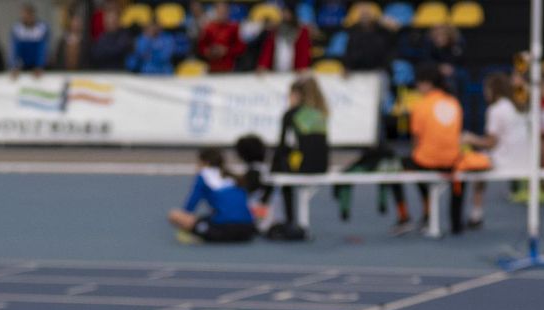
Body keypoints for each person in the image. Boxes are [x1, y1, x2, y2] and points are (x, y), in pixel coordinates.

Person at [403, 66, 492, 235]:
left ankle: (425, 208)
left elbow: (417, 139)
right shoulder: (453, 102)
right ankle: (456, 223)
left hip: (427, 161)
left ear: (427, 84)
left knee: (408, 164)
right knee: (459, 174)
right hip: (452, 162)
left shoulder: (421, 105)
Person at [269, 76, 331, 233]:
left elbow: (282, 145)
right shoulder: (320, 112)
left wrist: (272, 170)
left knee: (281, 165)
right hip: (322, 165)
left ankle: (289, 219)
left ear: (297, 95)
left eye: (289, 95)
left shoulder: (291, 114)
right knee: (288, 158)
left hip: (305, 166)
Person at [475, 72, 533, 228]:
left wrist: (469, 139)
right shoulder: (519, 107)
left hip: (506, 161)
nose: (484, 93)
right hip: (528, 159)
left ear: (493, 90)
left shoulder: (495, 109)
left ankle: (476, 213)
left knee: (475, 164)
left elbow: (491, 142)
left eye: (486, 89)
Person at [167, 148, 258, 244]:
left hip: (222, 230)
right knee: (210, 217)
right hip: (247, 230)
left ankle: (200, 232)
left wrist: (185, 224)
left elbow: (191, 204)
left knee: (174, 215)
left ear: (204, 162)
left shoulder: (203, 176)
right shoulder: (235, 177)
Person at [343, 4, 396, 72]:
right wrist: (347, 66)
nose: (365, 17)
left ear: (373, 16)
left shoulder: (382, 32)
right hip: (358, 70)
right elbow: (349, 52)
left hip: (379, 69)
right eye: (363, 15)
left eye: (367, 14)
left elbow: (391, 47)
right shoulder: (354, 32)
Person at [198, 2, 245, 73]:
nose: (222, 14)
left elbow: (241, 47)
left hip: (230, 68)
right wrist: (210, 51)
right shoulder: (209, 28)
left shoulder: (234, 27)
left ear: (228, 12)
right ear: (215, 12)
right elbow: (201, 47)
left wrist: (226, 50)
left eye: (224, 11)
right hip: (212, 67)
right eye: (219, 11)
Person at [11, 3, 50, 76]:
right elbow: (15, 49)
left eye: (27, 15)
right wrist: (14, 66)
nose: (25, 17)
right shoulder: (17, 29)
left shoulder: (41, 29)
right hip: (23, 66)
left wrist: (40, 65)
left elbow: (42, 49)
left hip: (39, 66)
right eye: (23, 15)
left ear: (32, 15)